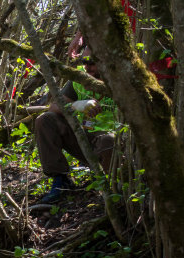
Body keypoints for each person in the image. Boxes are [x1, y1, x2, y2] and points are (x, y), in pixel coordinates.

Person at [30, 49, 119, 205]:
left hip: (114, 146)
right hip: (84, 139)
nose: (87, 67)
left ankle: (110, 185)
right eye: (84, 62)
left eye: (92, 62)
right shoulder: (79, 79)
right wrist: (77, 105)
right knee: (45, 120)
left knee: (107, 140)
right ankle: (61, 180)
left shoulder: (120, 81)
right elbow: (55, 107)